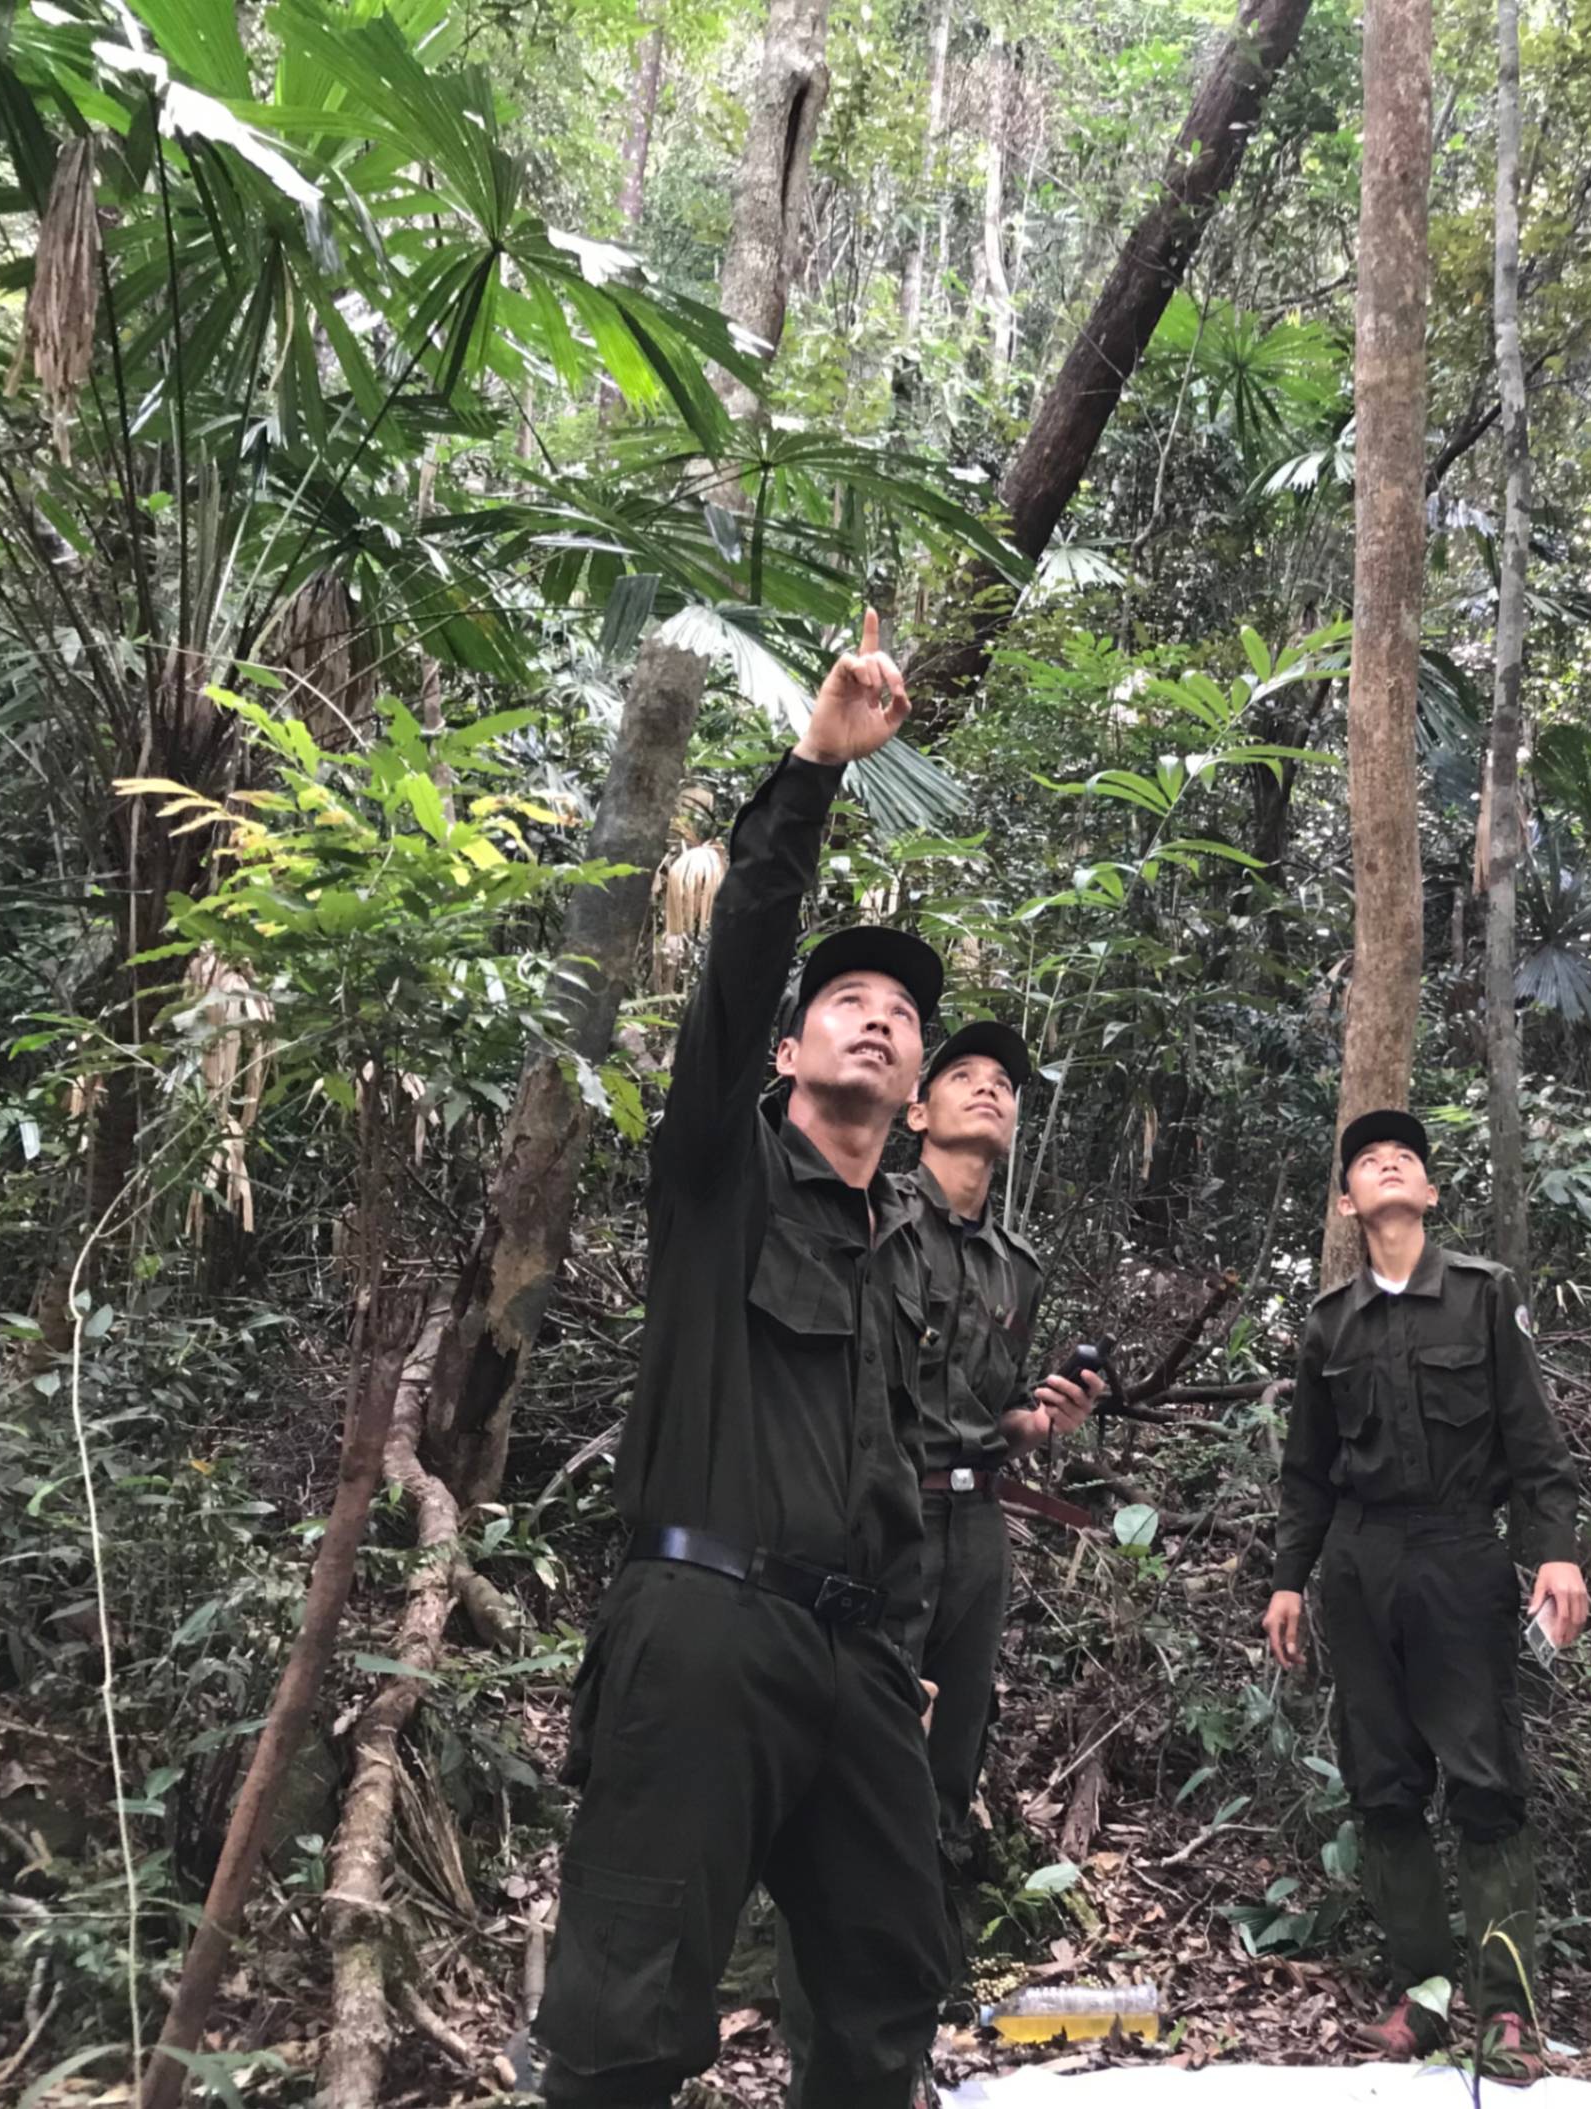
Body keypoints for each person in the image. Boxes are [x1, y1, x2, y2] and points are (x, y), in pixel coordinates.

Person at [535, 616, 952, 2109]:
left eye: (903, 1017)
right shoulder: (720, 1171)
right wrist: (815, 769)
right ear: (789, 1055)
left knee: (884, 1980)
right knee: (628, 2005)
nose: (880, 1019)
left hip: (856, 1663)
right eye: (850, 1002)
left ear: (914, 1084)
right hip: (702, 1630)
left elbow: (896, 1463)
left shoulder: (904, 1244)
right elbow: (742, 961)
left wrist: (900, 1654)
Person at [774, 1019, 1103, 2085]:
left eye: (1004, 1084)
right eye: (962, 1078)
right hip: (882, 1526)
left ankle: (899, 2029)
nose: (988, 1093)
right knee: (855, 1778)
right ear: (917, 1110)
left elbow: (992, 1412)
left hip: (978, 1527)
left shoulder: (1018, 1268)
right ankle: (823, 2046)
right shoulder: (873, 1221)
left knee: (942, 1778)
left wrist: (1037, 1423)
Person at [1264, 1110, 1589, 2076]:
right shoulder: (1329, 1324)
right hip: (1360, 1564)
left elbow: (1534, 1443)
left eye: (1404, 1155)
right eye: (1367, 1159)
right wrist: (1288, 1580)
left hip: (1458, 1551)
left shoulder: (1485, 1298)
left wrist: (1555, 1555)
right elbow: (1307, 1471)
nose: (1388, 1162)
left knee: (1484, 1781)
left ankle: (1505, 2007)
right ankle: (1425, 1992)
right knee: (1383, 1783)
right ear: (1346, 1201)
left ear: (1432, 1191)